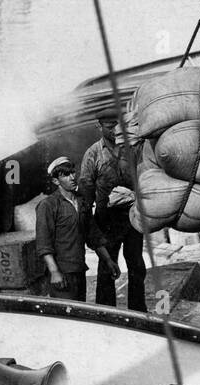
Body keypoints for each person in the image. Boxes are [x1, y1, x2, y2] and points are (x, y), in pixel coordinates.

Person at [78, 109, 144, 311]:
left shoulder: (131, 149)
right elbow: (86, 188)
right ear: (99, 126)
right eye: (109, 126)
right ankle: (105, 312)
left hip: (132, 216)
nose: (115, 130)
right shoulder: (93, 154)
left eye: (117, 125)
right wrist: (87, 224)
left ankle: (139, 311)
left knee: (137, 266)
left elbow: (144, 174)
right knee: (107, 267)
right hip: (106, 219)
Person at [36, 157, 89, 302]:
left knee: (80, 315)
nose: (72, 178)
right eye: (65, 175)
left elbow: (92, 233)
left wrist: (108, 260)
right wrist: (54, 272)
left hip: (79, 269)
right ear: (55, 181)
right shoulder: (48, 205)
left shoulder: (81, 201)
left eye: (72, 173)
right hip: (62, 273)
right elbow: (43, 243)